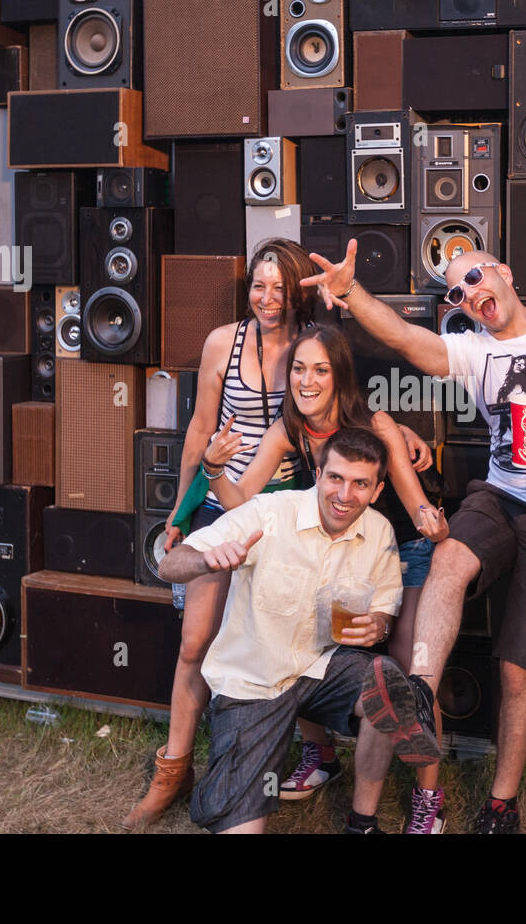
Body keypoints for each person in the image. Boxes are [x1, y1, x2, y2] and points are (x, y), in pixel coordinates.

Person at [122, 239, 431, 829]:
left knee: (305, 634)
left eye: (278, 287)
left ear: (296, 292)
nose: (267, 298)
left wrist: (399, 435)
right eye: (258, 286)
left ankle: (324, 755)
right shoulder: (223, 342)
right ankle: (174, 769)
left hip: (294, 516)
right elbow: (199, 430)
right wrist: (181, 510)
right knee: (196, 644)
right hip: (229, 506)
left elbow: (354, 409)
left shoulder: (311, 344)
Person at [302, 242, 526, 833]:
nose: (469, 294)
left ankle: (500, 806)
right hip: (499, 494)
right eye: (456, 292)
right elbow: (404, 338)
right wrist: (351, 291)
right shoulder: (474, 350)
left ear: (505, 271)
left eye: (474, 277)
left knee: (519, 672)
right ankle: (416, 694)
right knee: (448, 561)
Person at [203, 324, 451, 833]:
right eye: (298, 368)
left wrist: (434, 522)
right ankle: (323, 755)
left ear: (339, 376)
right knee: (303, 641)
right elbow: (241, 505)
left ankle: (429, 797)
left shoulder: (375, 422)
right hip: (344, 551)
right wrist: (214, 470)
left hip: (402, 547)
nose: (307, 380)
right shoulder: (288, 429)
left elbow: (412, 499)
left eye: (320, 369)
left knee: (406, 675)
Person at [158, 428, 428, 834]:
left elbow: (385, 610)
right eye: (336, 478)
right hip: (255, 681)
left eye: (360, 484)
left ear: (377, 491)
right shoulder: (269, 513)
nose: (344, 494)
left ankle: (362, 823)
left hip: (321, 668)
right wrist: (208, 560)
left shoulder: (379, 532)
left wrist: (379, 625)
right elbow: (169, 565)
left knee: (387, 682)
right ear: (318, 474)